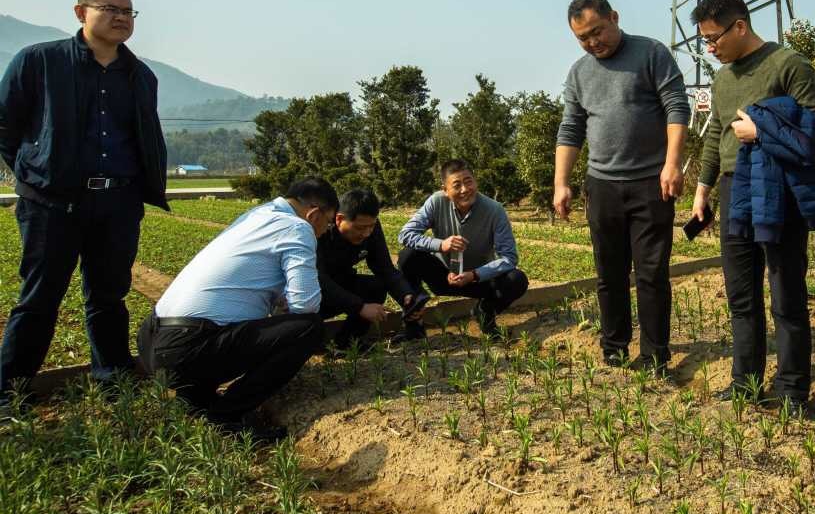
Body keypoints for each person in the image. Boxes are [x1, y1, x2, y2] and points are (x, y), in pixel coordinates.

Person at [0, 0, 168, 407]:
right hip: (51, 203)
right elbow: (6, 126)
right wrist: (33, 170)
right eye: (110, 9)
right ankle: (10, 392)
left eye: (128, 12)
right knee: (39, 298)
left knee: (109, 295)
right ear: (80, 13)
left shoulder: (140, 75)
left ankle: (112, 379)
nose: (121, 18)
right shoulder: (39, 61)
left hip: (117, 202)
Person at [687, 0, 815, 412]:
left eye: (714, 39)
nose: (710, 49)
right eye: (704, 41)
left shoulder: (787, 63)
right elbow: (716, 133)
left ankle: (792, 391)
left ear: (740, 26)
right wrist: (703, 189)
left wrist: (763, 132)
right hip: (735, 187)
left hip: (777, 186)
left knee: (786, 290)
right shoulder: (721, 77)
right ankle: (745, 382)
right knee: (741, 294)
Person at [137, 177, 337, 441]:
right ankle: (226, 416)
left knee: (228, 321)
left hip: (151, 341)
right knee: (308, 328)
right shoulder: (296, 228)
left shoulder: (258, 215)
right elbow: (306, 304)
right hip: (187, 351)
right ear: (313, 214)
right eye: (329, 222)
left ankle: (195, 398)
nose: (326, 231)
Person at [554, 0, 690, 372]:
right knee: (609, 273)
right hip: (602, 186)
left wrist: (672, 163)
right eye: (583, 37)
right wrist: (561, 182)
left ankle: (654, 353)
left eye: (597, 31)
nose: (592, 42)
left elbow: (677, 106)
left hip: (651, 182)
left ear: (614, 17)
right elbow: (571, 128)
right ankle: (613, 347)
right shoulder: (579, 72)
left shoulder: (650, 53)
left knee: (651, 273)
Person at [397, 160, 528, 338]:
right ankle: (414, 324)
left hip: (477, 279)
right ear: (445, 190)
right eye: (457, 185)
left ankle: (485, 313)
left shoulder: (494, 210)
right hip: (443, 276)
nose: (465, 190)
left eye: (468, 182)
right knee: (408, 256)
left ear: (476, 182)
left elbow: (509, 258)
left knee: (517, 279)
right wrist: (441, 245)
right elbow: (405, 234)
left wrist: (474, 274)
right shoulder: (436, 202)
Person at [317, 188, 430, 346]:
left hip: (342, 282)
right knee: (307, 323)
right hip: (315, 294)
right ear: (339, 219)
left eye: (371, 226)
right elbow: (319, 280)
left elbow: (385, 268)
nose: (366, 233)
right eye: (360, 228)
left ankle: (346, 344)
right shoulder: (319, 230)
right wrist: (360, 307)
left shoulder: (370, 227)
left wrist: (405, 295)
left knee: (375, 287)